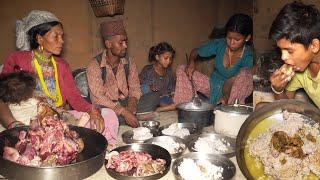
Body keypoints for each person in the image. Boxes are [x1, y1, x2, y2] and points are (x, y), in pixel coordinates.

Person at [0, 10, 119, 145]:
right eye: (56, 36)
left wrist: (93, 111)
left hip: (58, 117)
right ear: (39, 38)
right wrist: (13, 124)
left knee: (108, 115)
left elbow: (75, 99)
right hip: (27, 120)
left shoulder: (62, 65)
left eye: (62, 36)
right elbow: (2, 98)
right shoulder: (17, 59)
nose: (61, 41)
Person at [87, 20, 160, 128]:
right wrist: (124, 112)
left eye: (126, 42)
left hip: (125, 102)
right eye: (121, 43)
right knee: (102, 111)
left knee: (154, 96)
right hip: (108, 106)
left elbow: (135, 88)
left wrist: (131, 106)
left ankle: (125, 117)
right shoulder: (94, 65)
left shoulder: (129, 62)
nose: (125, 46)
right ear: (109, 44)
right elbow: (98, 98)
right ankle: (127, 117)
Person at [171, 13, 253, 109]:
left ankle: (230, 111)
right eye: (229, 38)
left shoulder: (248, 55)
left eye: (237, 39)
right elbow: (195, 51)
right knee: (182, 69)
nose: (231, 43)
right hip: (212, 86)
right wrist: (191, 62)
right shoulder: (220, 44)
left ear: (247, 38)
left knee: (245, 75)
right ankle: (185, 109)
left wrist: (226, 96)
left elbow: (233, 82)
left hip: (231, 94)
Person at [269, 2, 320, 108]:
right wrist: (278, 90)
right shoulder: (300, 67)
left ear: (314, 46)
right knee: (260, 107)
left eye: (290, 51)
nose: (283, 57)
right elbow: (287, 106)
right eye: (281, 50)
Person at [139, 42, 176, 111]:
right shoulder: (148, 70)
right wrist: (150, 87)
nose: (168, 61)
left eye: (170, 59)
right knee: (153, 99)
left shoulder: (169, 71)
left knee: (178, 101)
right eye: (166, 58)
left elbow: (171, 89)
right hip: (151, 99)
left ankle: (161, 108)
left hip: (164, 99)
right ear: (157, 57)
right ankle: (161, 108)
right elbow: (139, 88)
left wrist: (173, 95)